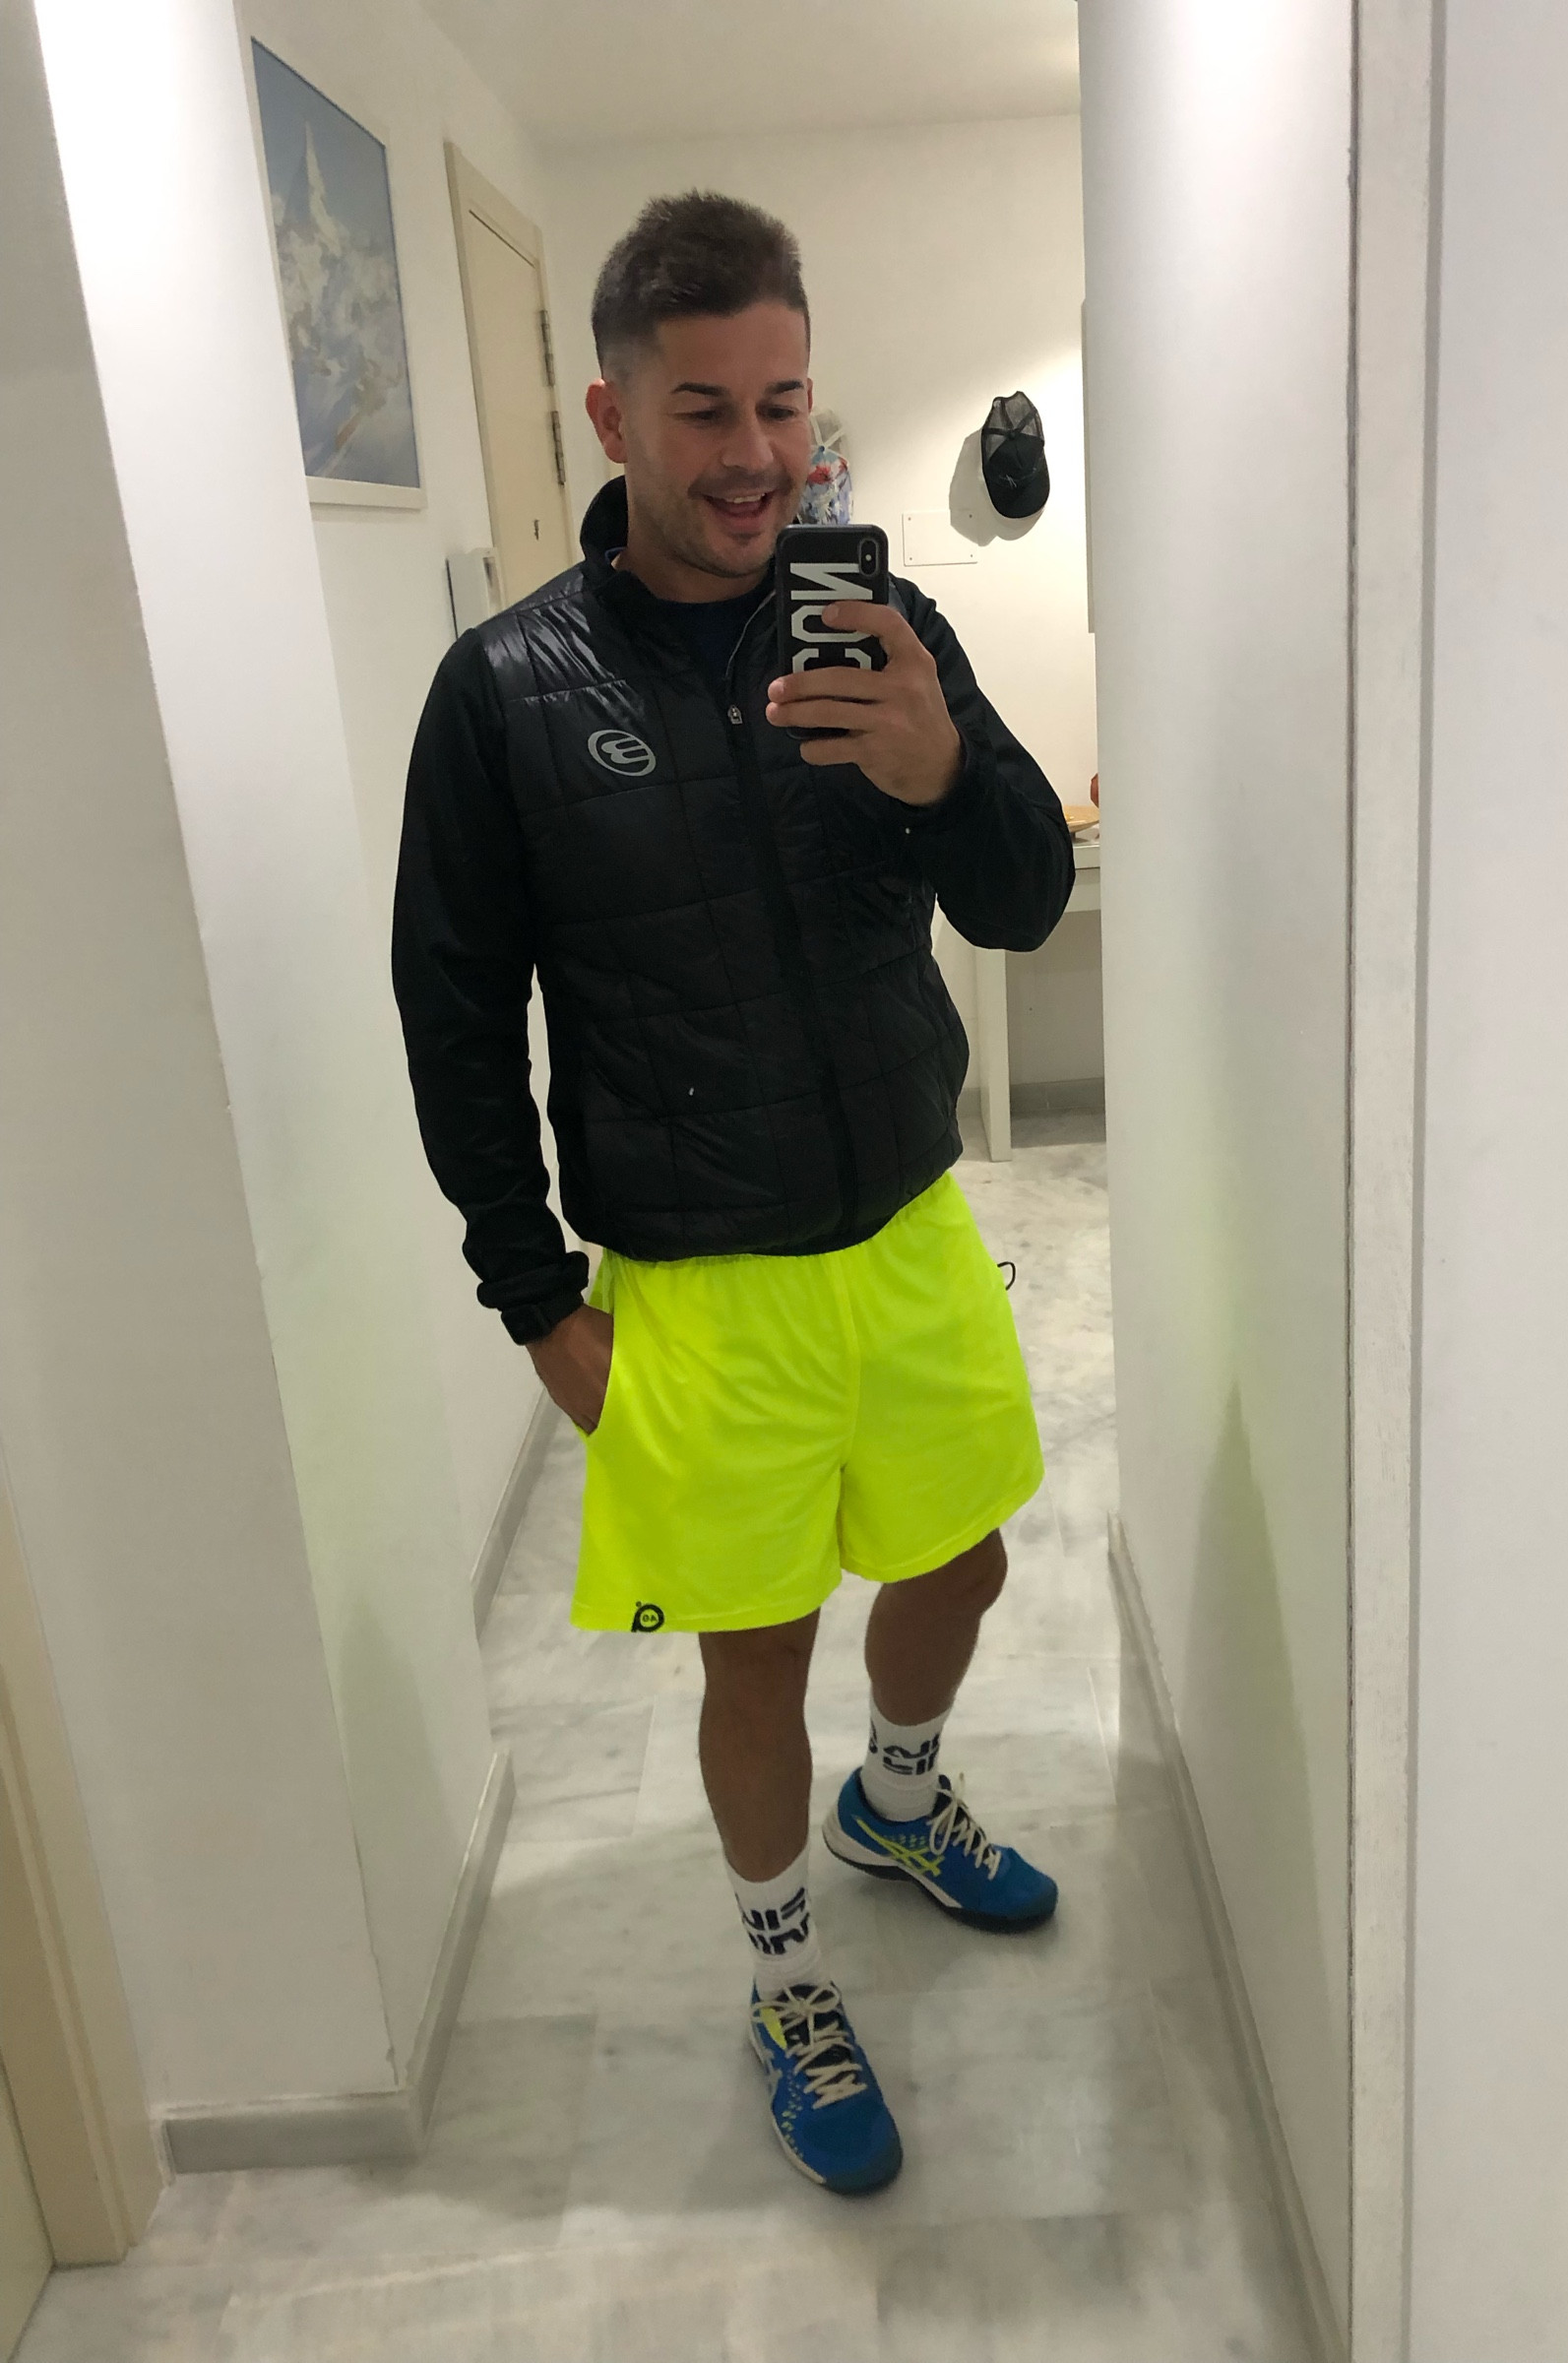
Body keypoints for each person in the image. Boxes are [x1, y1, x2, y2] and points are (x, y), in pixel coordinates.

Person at [393, 191, 1073, 2196]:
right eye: (706, 409)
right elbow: (455, 1014)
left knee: (965, 1564)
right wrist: (537, 1299)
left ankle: (899, 1802)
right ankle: (786, 1982)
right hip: (695, 1274)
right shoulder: (505, 691)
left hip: (907, 1221)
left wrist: (945, 773)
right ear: (614, 417)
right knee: (755, 1652)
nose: (758, 452)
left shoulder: (883, 628)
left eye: (783, 403)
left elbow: (1024, 901)